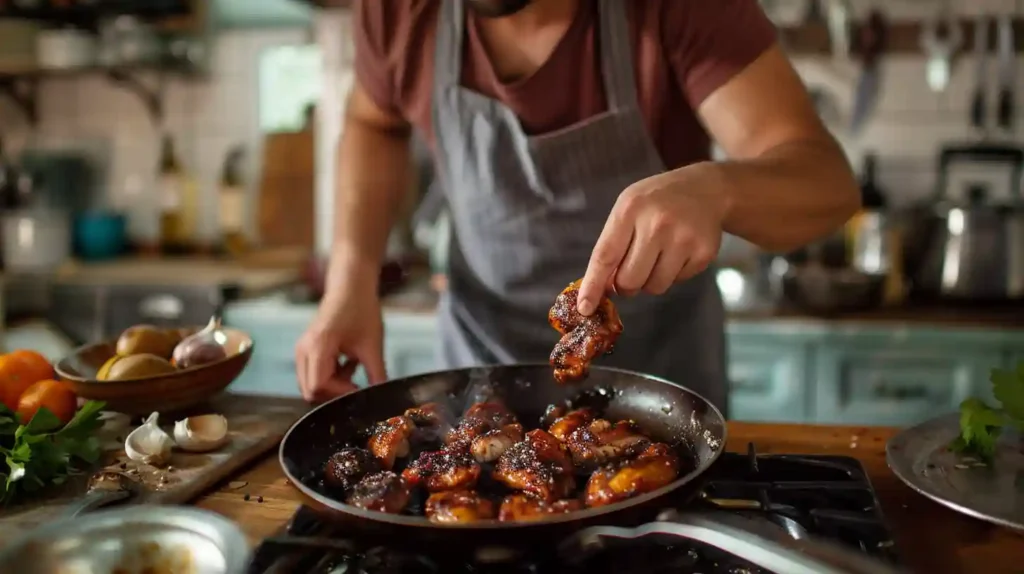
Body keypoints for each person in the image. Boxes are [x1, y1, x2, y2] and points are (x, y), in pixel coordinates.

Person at [295, 0, 860, 412]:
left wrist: (719, 189)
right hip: (479, 374)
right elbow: (373, 123)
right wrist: (350, 281)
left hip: (658, 385)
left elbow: (828, 184)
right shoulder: (399, 12)